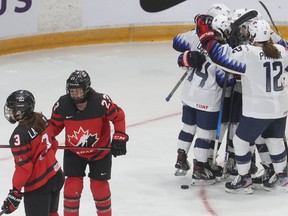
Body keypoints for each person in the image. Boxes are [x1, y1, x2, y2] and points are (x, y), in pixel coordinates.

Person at [196, 16, 288, 193]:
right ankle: (283, 178)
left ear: (253, 35)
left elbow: (219, 57)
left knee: (240, 141)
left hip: (258, 110)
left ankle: (244, 179)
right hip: (280, 108)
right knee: (275, 141)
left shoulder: (248, 53)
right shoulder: (281, 51)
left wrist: (206, 35)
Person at [49, 70, 128, 216]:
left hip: (100, 152)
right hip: (74, 151)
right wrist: (42, 138)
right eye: (72, 91)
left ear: (86, 89)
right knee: (72, 187)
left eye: (78, 91)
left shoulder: (101, 101)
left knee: (100, 187)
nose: (75, 95)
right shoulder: (62, 104)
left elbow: (119, 117)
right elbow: (54, 126)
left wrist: (120, 135)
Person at [173, 3, 235, 185]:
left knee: (188, 127)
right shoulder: (222, 49)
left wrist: (187, 55)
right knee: (205, 134)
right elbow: (226, 81)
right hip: (208, 100)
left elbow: (177, 42)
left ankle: (180, 158)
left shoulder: (196, 36)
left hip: (189, 93)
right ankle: (200, 167)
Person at [1, 90, 64, 216]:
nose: (10, 111)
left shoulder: (19, 135)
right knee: (52, 213)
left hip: (39, 185)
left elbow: (24, 168)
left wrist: (15, 191)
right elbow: (54, 144)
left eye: (12, 108)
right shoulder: (41, 119)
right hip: (56, 176)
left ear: (21, 111)